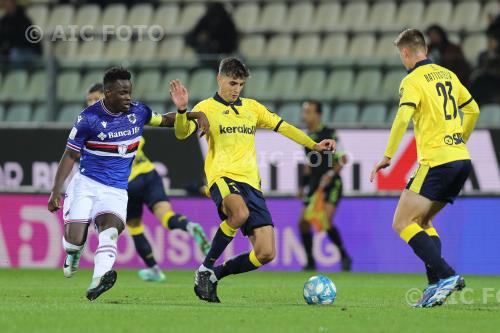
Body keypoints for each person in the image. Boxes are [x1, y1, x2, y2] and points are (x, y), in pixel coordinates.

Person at [170, 57, 336, 303]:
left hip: (251, 183)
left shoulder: (252, 108)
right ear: (219, 79)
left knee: (266, 253)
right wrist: (183, 110)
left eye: (240, 84)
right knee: (239, 214)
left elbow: (284, 127)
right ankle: (205, 268)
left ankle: (216, 274)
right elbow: (182, 133)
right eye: (232, 82)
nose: (236, 89)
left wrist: (313, 144)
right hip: (223, 177)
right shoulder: (206, 108)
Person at [48, 67, 209, 301]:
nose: (128, 97)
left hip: (116, 189)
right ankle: (73, 253)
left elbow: (165, 120)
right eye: (122, 93)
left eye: (129, 92)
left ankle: (99, 279)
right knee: (73, 241)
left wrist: (192, 113)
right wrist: (55, 191)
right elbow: (70, 156)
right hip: (86, 185)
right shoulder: (88, 118)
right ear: (108, 93)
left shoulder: (138, 111)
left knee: (110, 231)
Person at [370, 29, 480, 308]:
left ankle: (446, 276)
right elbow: (473, 110)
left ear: (406, 52)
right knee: (423, 222)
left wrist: (388, 155)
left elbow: (402, 117)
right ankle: (435, 286)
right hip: (461, 159)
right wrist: (459, 140)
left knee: (402, 222)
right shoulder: (448, 75)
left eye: (401, 55)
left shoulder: (412, 80)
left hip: (436, 162)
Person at [85, 83, 211, 283]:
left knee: (134, 226)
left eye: (95, 98)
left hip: (129, 183)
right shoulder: (130, 114)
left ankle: (154, 269)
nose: (92, 103)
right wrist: (189, 114)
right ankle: (189, 227)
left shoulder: (93, 125)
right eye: (89, 100)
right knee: (166, 216)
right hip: (150, 174)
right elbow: (164, 119)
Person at [297, 101, 352, 272]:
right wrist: (302, 186)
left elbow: (343, 159)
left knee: (325, 220)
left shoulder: (330, 134)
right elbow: (308, 165)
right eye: (304, 112)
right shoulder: (306, 137)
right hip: (315, 184)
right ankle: (310, 261)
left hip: (331, 183)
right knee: (303, 223)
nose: (304, 115)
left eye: (308, 112)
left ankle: (344, 256)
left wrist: (330, 175)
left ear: (317, 115)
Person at [185, 2, 238, 68]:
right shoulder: (206, 19)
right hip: (207, 48)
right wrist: (201, 38)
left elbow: (231, 40)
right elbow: (193, 35)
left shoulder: (227, 22)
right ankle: (206, 63)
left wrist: (214, 42)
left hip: (224, 48)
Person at [0, 0, 41, 65]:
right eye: (4, 3)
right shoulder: (4, 21)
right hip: (11, 51)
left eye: (7, 2)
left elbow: (25, 41)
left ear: (13, 3)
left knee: (15, 53)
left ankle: (16, 73)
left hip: (29, 51)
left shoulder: (23, 19)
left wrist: (8, 46)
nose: (5, 5)